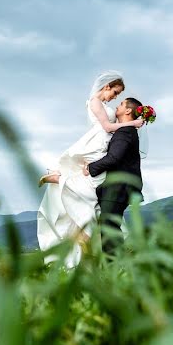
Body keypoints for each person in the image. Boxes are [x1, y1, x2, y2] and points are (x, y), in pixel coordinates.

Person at [37, 72, 144, 266]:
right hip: (99, 142)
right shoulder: (96, 102)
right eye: (115, 93)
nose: (115, 98)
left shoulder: (118, 123)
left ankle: (60, 179)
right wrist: (133, 123)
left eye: (119, 97)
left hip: (103, 146)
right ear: (107, 86)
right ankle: (59, 179)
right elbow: (106, 126)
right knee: (88, 192)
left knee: (90, 198)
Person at [84, 97, 144, 256]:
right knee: (109, 225)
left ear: (128, 111)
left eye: (121, 104)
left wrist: (91, 168)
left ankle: (115, 267)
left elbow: (114, 158)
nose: (117, 106)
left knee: (109, 227)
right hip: (119, 186)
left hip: (119, 187)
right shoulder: (128, 131)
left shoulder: (125, 132)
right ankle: (117, 265)